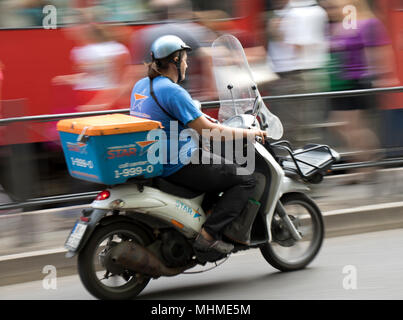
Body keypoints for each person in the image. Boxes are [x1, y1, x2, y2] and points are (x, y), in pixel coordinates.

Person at [130, 35, 267, 254]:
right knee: (246, 179)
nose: (187, 63)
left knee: (216, 166)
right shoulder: (172, 91)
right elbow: (210, 132)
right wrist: (248, 134)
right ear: (175, 59)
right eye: (184, 59)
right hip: (178, 162)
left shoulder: (142, 85)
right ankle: (209, 235)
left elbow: (173, 116)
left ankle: (204, 217)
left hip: (154, 156)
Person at [323, 0, 397, 182]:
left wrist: (381, 75)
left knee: (351, 125)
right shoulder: (339, 25)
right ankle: (366, 164)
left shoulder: (368, 23)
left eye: (335, 6)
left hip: (358, 80)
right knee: (343, 125)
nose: (331, 10)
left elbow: (380, 50)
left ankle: (367, 165)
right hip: (342, 81)